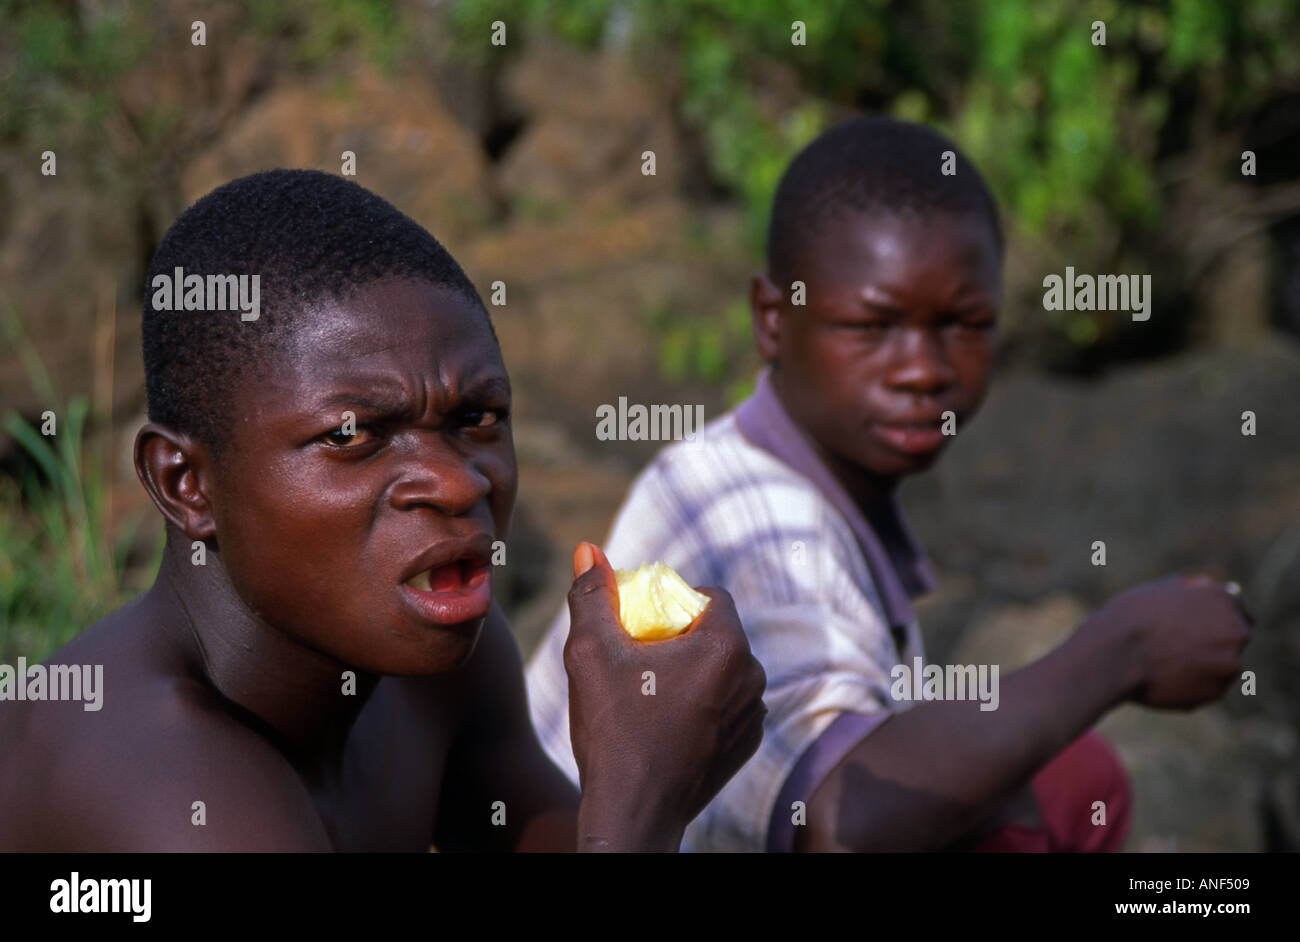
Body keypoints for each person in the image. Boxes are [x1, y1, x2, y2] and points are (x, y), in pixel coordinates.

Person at [526, 117, 1252, 852]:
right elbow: (842, 826)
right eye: (873, 327)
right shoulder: (763, 527)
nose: (922, 369)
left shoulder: (761, 462)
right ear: (773, 320)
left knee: (1070, 778)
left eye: (963, 323)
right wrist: (1120, 648)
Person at [0, 170, 767, 852]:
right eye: (351, 435)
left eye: (476, 418)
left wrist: (649, 755)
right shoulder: (148, 768)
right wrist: (639, 798)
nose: (455, 483)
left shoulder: (435, 676)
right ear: (185, 485)